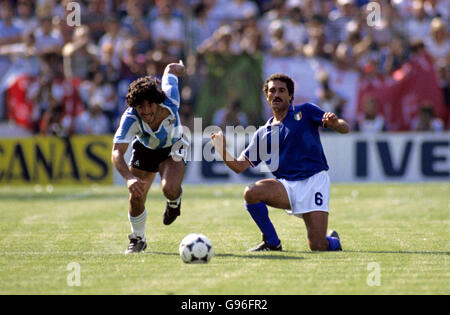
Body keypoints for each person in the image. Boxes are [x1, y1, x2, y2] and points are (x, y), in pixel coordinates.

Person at [211, 73, 350, 252]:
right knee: (251, 193)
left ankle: (333, 241)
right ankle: (272, 242)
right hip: (286, 187)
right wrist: (222, 150)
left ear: (290, 96)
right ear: (267, 96)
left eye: (281, 90)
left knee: (317, 246)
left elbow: (344, 128)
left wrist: (335, 124)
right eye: (272, 91)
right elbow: (239, 166)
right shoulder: (262, 133)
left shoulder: (305, 111)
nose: (276, 94)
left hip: (314, 181)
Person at [111, 61, 187, 254]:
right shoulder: (130, 119)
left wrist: (180, 67)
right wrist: (129, 179)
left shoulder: (171, 100)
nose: (145, 111)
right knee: (136, 196)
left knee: (170, 189)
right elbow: (116, 152)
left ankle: (174, 202)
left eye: (149, 105)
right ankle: (138, 238)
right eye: (139, 107)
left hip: (173, 147)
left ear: (157, 101)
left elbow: (170, 70)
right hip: (145, 149)